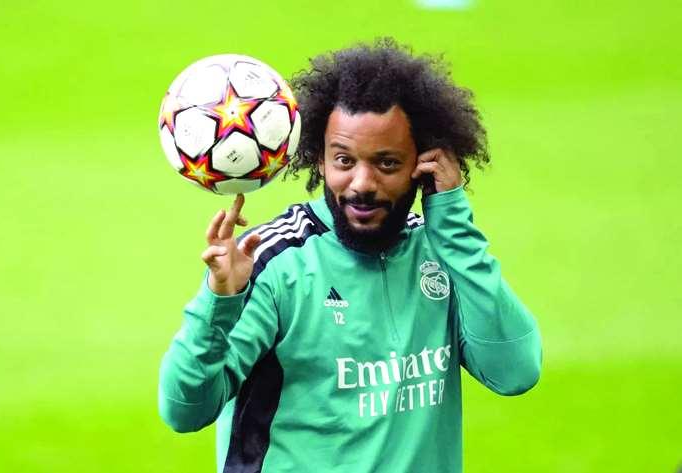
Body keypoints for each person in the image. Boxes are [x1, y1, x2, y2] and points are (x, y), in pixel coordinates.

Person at [158, 38, 542, 473]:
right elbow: (184, 410)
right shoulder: (271, 264)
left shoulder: (443, 252)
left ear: (422, 164)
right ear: (319, 160)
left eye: (387, 164)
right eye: (343, 160)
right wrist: (218, 303)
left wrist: (453, 224)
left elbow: (515, 372)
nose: (361, 183)